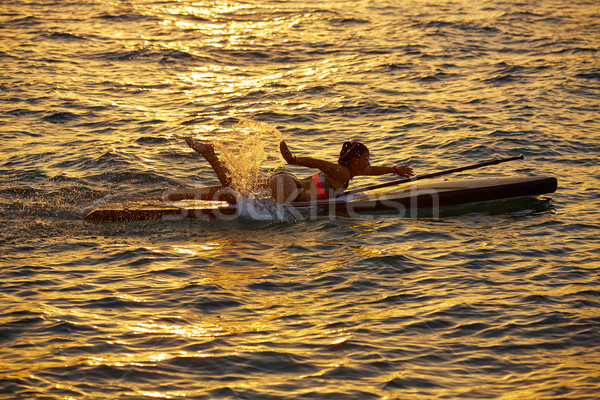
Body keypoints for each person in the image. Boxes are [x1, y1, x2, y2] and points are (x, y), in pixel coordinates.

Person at [164, 138, 413, 203]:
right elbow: (317, 163)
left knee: (233, 192)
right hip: (289, 190)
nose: (369, 162)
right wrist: (292, 159)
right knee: (234, 193)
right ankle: (211, 155)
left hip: (285, 186)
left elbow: (371, 171)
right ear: (355, 160)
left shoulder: (350, 172)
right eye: (366, 158)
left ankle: (184, 192)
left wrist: (394, 169)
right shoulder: (341, 172)